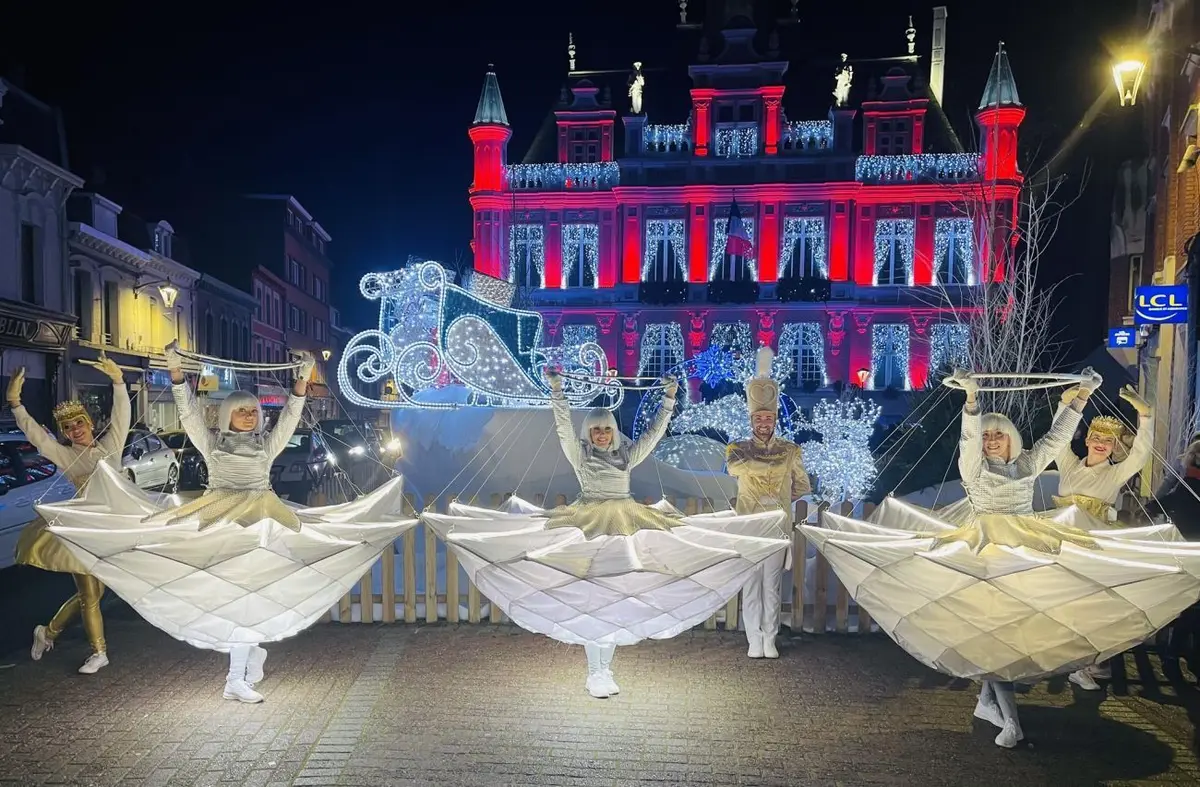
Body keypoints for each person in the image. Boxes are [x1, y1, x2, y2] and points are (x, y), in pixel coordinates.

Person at [802, 368, 1200, 749]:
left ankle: (990, 703)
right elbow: (967, 442)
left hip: (1026, 545)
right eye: (987, 435)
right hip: (984, 546)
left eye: (998, 435)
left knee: (1005, 635)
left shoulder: (1026, 465)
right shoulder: (974, 470)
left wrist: (1082, 396)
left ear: (1011, 438)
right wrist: (972, 400)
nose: (991, 440)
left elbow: (1057, 439)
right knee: (991, 633)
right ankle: (1009, 719)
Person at [41, 342, 417, 705]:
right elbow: (188, 413)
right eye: (242, 410)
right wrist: (175, 373)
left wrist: (302, 381)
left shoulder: (266, 445)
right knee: (237, 599)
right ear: (227, 415)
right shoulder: (212, 444)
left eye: (253, 411)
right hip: (220, 520)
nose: (250, 415)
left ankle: (241, 670)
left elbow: (288, 418)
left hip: (263, 521)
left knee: (249, 598)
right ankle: (239, 673)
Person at [423, 371, 791, 699]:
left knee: (616, 597)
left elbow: (653, 434)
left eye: (607, 428)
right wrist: (558, 391)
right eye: (596, 429)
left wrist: (668, 400)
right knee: (589, 597)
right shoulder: (580, 455)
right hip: (586, 521)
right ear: (590, 432)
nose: (601, 434)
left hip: (627, 521)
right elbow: (562, 427)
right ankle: (595, 672)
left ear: (614, 431)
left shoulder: (626, 456)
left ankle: (604, 670)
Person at [8, 353, 129, 674]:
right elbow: (35, 436)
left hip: (114, 531)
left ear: (89, 423)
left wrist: (118, 382)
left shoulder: (111, 446)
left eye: (79, 423)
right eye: (67, 427)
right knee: (90, 595)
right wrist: (16, 404)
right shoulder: (64, 455)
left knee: (93, 594)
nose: (75, 430)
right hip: (83, 531)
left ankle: (47, 632)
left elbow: (122, 415)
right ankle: (98, 653)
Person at [1050, 384, 1153, 691]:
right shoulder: (1068, 465)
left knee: (1090, 607)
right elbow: (1057, 440)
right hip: (1059, 543)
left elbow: (1141, 455)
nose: (1100, 444)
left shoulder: (1115, 473)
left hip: (1092, 548)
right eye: (1096, 437)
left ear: (1113, 447)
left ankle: (1086, 664)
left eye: (1107, 441)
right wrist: (1067, 405)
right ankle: (1064, 659)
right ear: (1088, 438)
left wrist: (1144, 415)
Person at [725, 347, 811, 659]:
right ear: (752, 420)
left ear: (774, 420)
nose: (764, 423)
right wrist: (772, 469)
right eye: (759, 418)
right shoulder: (737, 449)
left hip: (776, 526)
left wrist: (779, 497)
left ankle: (770, 637)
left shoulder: (790, 451)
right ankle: (753, 639)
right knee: (751, 584)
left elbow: (802, 484)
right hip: (749, 524)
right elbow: (736, 468)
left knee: (772, 585)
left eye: (768, 418)